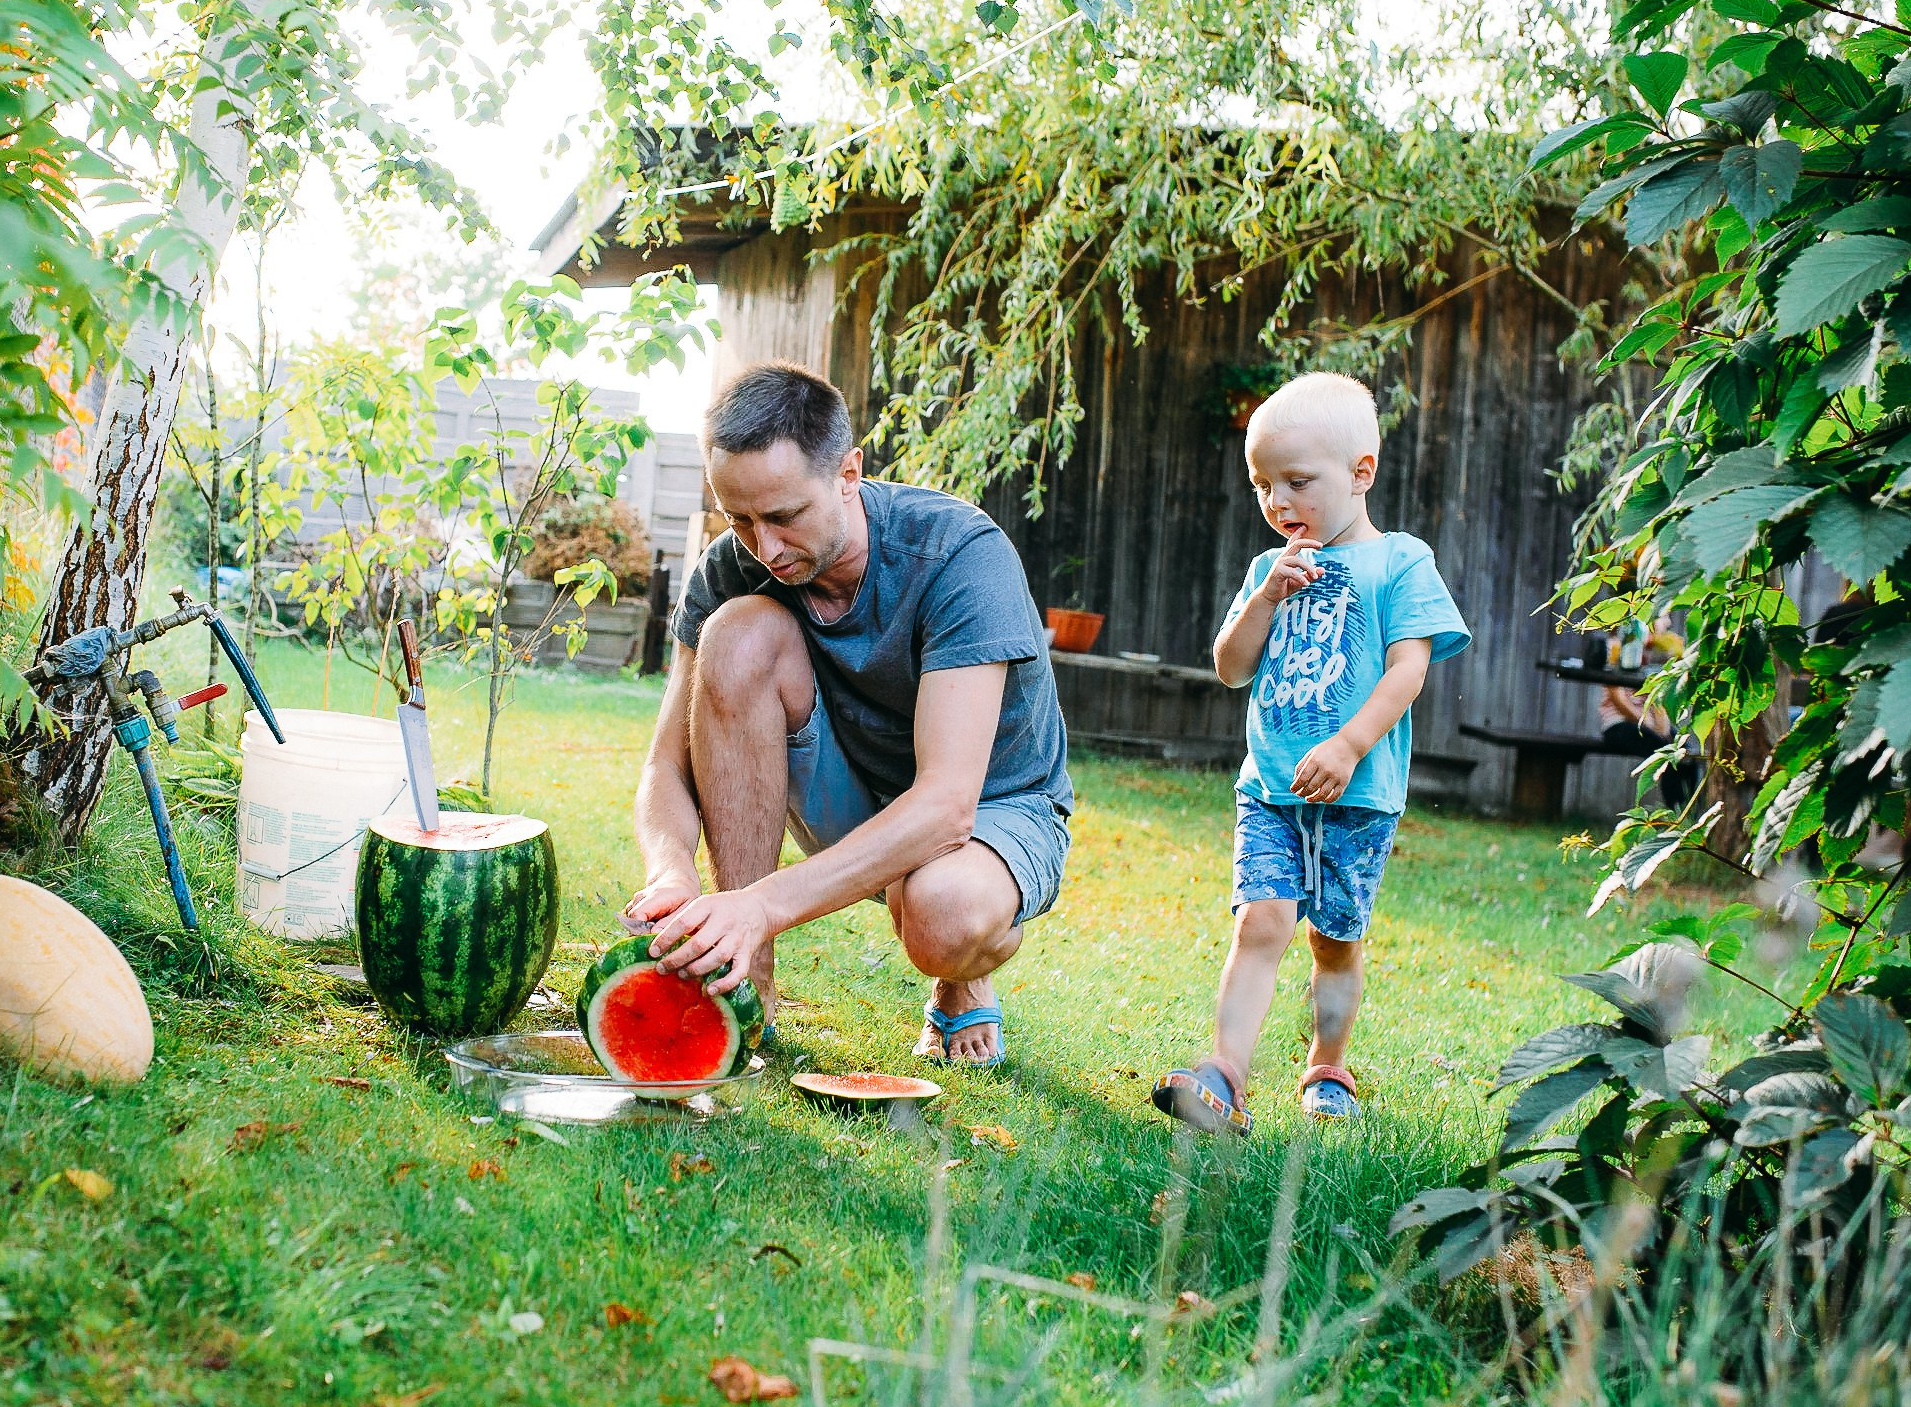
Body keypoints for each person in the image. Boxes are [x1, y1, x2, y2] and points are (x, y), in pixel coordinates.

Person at [623, 363, 1072, 1066]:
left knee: (942, 912)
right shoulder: (733, 567)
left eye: (783, 516)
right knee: (737, 632)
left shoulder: (959, 555)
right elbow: (664, 766)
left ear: (848, 473)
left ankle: (962, 973)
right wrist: (670, 872)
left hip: (992, 806)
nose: (763, 548)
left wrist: (764, 903)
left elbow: (948, 805)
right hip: (854, 787)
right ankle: (748, 991)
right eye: (738, 518)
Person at [1152, 372, 1468, 1131]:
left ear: (1361, 473)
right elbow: (1230, 667)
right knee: (1261, 921)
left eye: (1298, 481)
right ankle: (1223, 1076)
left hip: (1355, 794)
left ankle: (1327, 1064)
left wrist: (1350, 743)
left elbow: (1409, 669)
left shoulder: (1399, 561)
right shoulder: (1269, 570)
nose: (1279, 502)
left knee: (1334, 940)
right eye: (1264, 485)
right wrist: (1265, 599)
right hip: (1270, 787)